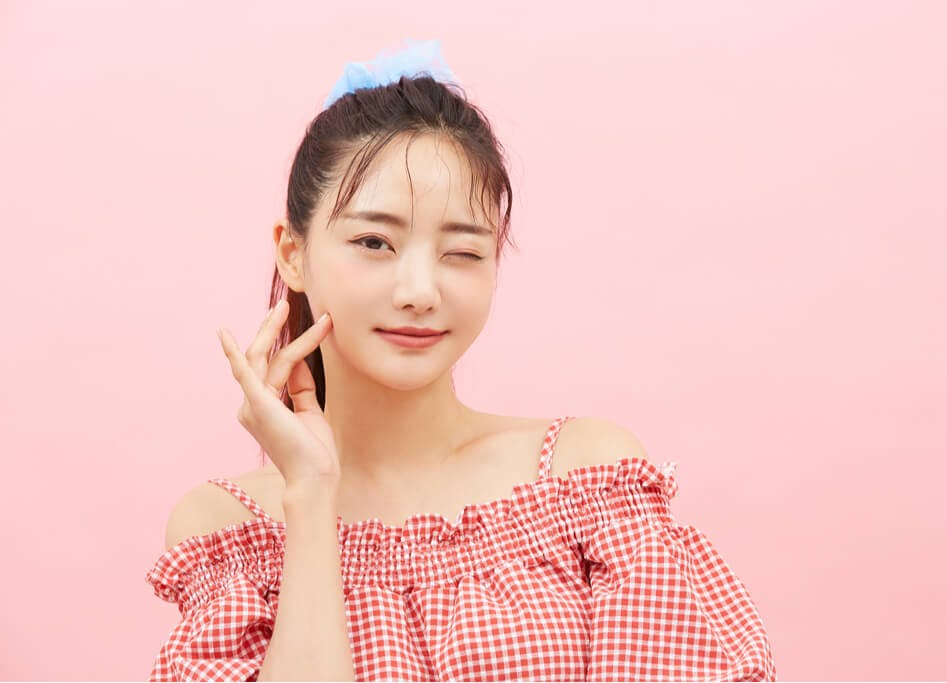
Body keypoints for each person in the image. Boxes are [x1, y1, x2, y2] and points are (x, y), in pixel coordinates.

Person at [144, 39, 777, 681]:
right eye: (374, 242)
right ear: (293, 252)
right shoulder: (227, 533)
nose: (420, 292)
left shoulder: (590, 479)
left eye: (463, 252)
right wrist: (310, 497)